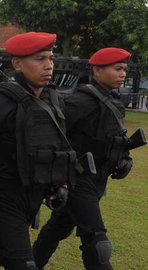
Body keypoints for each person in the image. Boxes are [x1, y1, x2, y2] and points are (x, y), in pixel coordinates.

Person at [0, 32, 72, 270]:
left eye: (50, 58)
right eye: (40, 59)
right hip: (2, 196)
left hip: (33, 194)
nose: (48, 65)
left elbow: (55, 145)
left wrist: (57, 184)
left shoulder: (54, 100)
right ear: (18, 64)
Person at [32, 48, 137, 270]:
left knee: (56, 231)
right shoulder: (78, 102)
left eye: (124, 70)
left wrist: (124, 159)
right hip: (77, 180)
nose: (123, 74)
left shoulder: (113, 103)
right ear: (97, 71)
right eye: (117, 69)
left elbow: (113, 139)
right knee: (97, 243)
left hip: (98, 179)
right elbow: (53, 136)